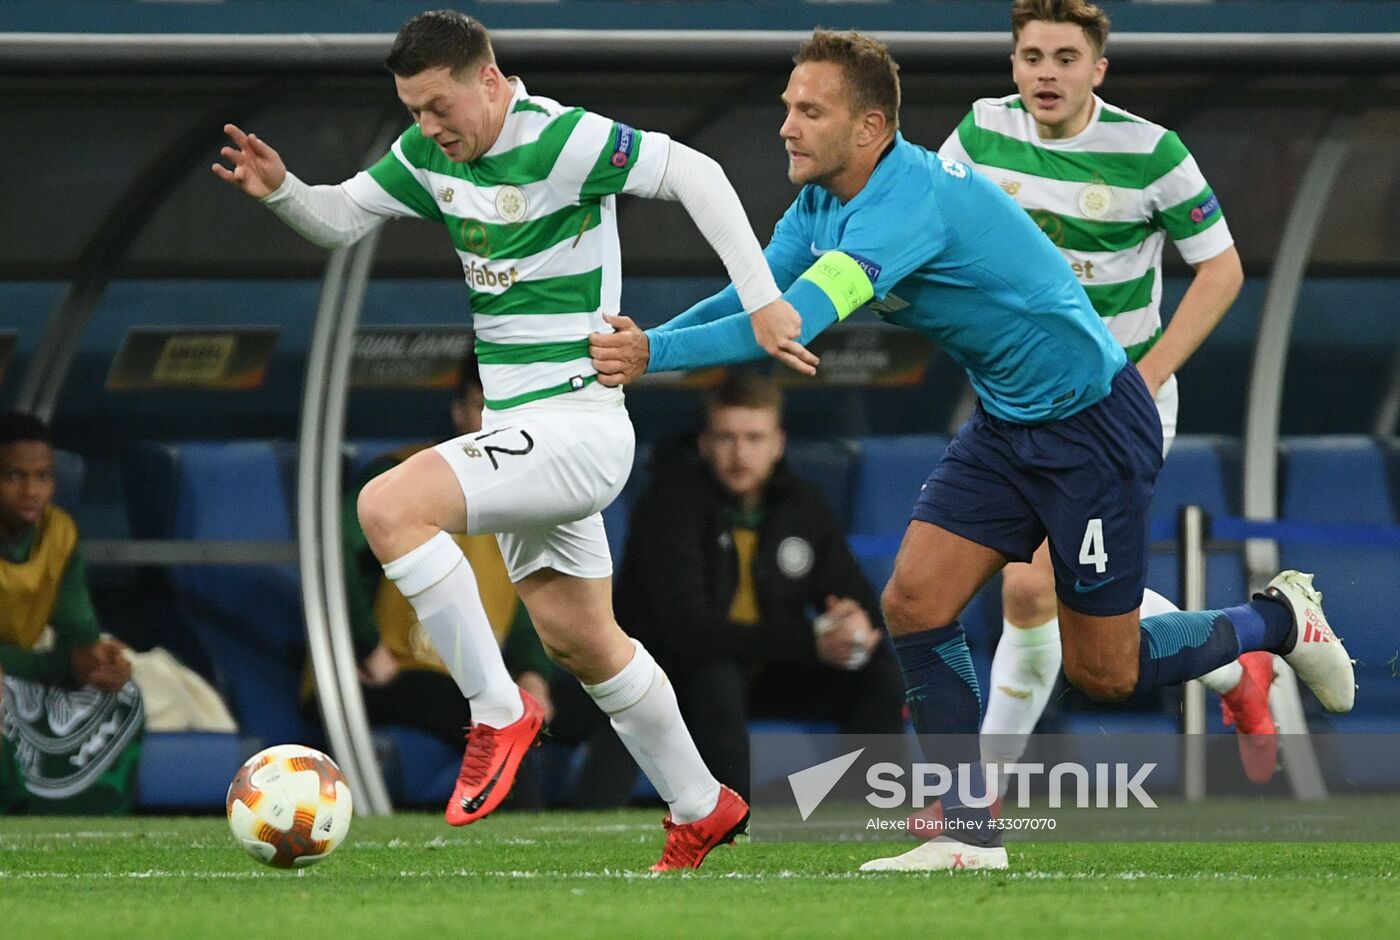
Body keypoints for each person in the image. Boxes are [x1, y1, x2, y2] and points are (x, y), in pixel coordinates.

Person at [588, 28, 1355, 871]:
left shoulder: (905, 201)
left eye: (810, 111)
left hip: (1092, 426)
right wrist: (646, 342)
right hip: (1007, 424)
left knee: (1108, 670)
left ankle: (1277, 620)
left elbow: (798, 320)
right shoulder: (819, 203)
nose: (787, 127)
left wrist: (651, 357)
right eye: (786, 108)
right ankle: (968, 834)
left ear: (870, 127)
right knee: (915, 601)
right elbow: (758, 296)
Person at [213, 9, 804, 869]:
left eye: (438, 105)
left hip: (581, 428)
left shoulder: (563, 140)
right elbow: (341, 217)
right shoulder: (428, 158)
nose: (427, 126)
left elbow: (699, 173)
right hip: (517, 434)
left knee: (386, 505)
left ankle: (495, 711)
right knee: (582, 641)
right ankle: (701, 803)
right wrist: (283, 191)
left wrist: (761, 299)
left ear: (487, 79)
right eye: (413, 110)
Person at [933, 0, 1273, 786]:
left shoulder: (1152, 151)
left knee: (1036, 586)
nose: (1045, 73)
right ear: (1013, 64)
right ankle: (1235, 666)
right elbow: (935, 226)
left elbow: (1221, 271)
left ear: (1097, 69)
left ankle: (975, 796)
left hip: (1119, 405)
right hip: (1023, 398)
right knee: (1032, 595)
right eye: (1030, 57)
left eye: (1063, 57)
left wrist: (1144, 379)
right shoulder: (982, 132)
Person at [612, 372, 905, 800]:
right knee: (717, 675)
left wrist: (856, 624)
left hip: (771, 670)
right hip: (682, 680)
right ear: (705, 444)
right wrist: (811, 642)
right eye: (726, 437)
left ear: (778, 443)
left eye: (754, 438)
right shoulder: (668, 505)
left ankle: (869, 805)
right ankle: (738, 814)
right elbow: (687, 632)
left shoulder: (803, 504)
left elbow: (852, 591)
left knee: (876, 675)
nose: (740, 454)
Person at [331, 354, 554, 805]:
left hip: (482, 674)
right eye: (481, 405)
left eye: (506, 407)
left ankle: (592, 825)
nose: (492, 420)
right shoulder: (400, 474)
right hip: (394, 672)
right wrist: (362, 643)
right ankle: (514, 845)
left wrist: (534, 672)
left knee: (613, 707)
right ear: (458, 411)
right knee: (501, 716)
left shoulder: (532, 490)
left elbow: (542, 583)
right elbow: (332, 548)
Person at [0, 411, 144, 814]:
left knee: (124, 694)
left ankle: (93, 824)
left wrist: (97, 661)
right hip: (14, 678)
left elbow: (79, 632)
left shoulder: (58, 532)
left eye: (43, 477)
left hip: (24, 676)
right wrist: (58, 664)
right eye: (14, 476)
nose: (31, 491)